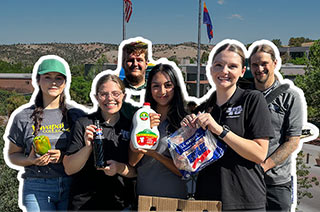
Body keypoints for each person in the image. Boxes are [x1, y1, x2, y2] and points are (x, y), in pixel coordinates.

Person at [181, 41, 274, 211]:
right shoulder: (204, 110)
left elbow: (260, 153)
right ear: (211, 70)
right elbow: (190, 162)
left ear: (242, 71)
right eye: (219, 65)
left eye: (232, 66)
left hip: (245, 201)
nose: (224, 71)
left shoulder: (252, 100)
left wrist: (220, 131)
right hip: (208, 201)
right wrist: (185, 136)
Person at [5, 56, 84, 211]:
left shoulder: (77, 115)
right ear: (38, 81)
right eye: (47, 77)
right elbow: (13, 155)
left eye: (58, 78)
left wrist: (63, 157)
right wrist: (30, 160)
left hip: (71, 185)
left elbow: (85, 153)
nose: (53, 82)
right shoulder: (23, 117)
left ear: (65, 83)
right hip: (37, 187)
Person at [63, 74, 136, 211]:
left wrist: (119, 168)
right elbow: (69, 168)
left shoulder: (131, 126)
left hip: (120, 204)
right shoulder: (84, 124)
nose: (110, 99)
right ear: (96, 97)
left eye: (115, 93)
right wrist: (88, 147)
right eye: (104, 94)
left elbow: (137, 171)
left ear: (124, 96)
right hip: (84, 206)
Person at [249, 43, 303, 211]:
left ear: (275, 63)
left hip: (276, 184)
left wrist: (264, 167)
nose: (260, 69)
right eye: (255, 64)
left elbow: (292, 142)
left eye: (264, 63)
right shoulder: (243, 95)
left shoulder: (290, 97)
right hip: (247, 181)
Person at [129, 63, 188, 200]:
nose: (162, 91)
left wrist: (155, 155)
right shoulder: (141, 118)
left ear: (176, 88)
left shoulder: (184, 122)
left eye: (168, 85)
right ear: (149, 89)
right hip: (144, 197)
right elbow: (132, 162)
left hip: (174, 198)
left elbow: (183, 170)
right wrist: (145, 132)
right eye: (156, 86)